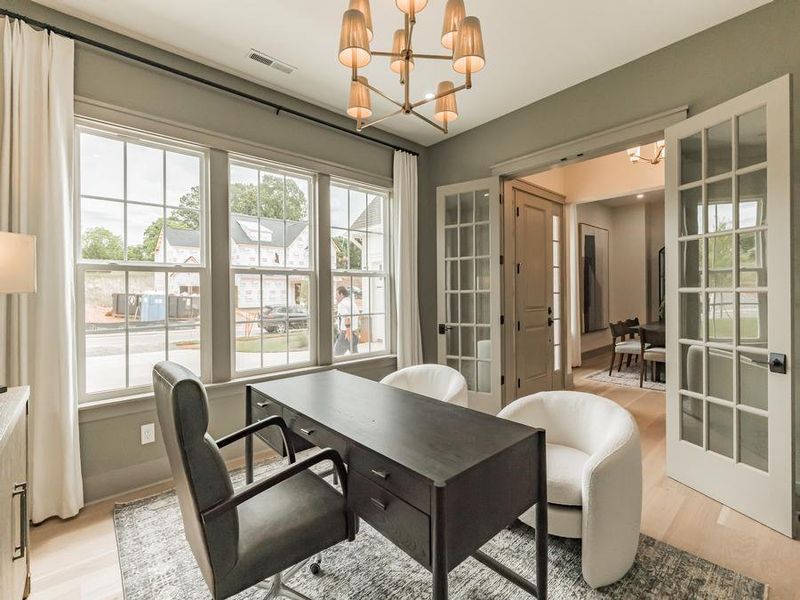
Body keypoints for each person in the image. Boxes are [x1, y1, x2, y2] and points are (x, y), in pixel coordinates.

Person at [334, 286, 359, 356]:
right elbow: (357, 316)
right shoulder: (352, 303)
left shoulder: (342, 304)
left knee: (335, 357)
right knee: (355, 357)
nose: (335, 297)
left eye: (336, 295)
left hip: (346, 334)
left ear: (341, 294)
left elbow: (347, 317)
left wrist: (348, 331)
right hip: (354, 333)